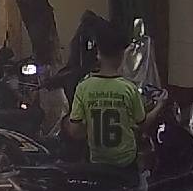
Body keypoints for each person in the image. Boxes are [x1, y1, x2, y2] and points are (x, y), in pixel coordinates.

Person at [65, 26, 166, 173]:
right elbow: (142, 124)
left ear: (98, 54)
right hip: (125, 163)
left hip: (97, 164)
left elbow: (74, 131)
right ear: (122, 55)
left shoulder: (83, 87)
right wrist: (160, 105)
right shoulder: (129, 88)